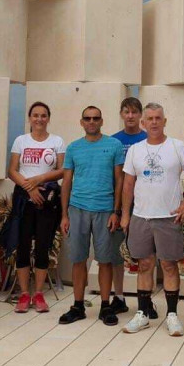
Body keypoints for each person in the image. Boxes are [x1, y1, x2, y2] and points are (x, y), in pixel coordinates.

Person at [120, 103, 184, 337]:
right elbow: (128, 184)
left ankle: (172, 315)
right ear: (143, 123)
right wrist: (125, 214)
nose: (154, 122)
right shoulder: (135, 150)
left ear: (165, 121)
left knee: (169, 265)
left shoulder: (178, 147)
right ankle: (143, 314)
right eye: (150, 119)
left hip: (169, 218)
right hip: (141, 217)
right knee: (144, 265)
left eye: (158, 118)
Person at [59, 106, 126, 326]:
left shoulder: (114, 145)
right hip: (77, 209)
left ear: (102, 121)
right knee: (78, 259)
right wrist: (64, 215)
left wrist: (116, 212)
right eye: (87, 118)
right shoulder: (73, 148)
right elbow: (66, 182)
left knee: (105, 260)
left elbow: (119, 181)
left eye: (96, 118)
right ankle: (78, 305)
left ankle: (106, 306)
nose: (91, 122)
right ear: (81, 122)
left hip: (105, 209)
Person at [8, 101, 65, 314]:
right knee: (22, 246)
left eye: (43, 115)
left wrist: (40, 179)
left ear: (48, 118)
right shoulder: (20, 141)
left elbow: (61, 170)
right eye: (35, 115)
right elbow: (12, 170)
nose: (39, 119)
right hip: (24, 198)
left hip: (48, 199)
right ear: (30, 118)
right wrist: (29, 188)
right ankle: (24, 294)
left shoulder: (57, 141)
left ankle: (39, 293)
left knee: (43, 245)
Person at [108, 96, 147, 318]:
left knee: (145, 255)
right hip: (118, 206)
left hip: (144, 204)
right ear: (122, 114)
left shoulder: (147, 138)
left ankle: (145, 299)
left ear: (140, 115)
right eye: (126, 112)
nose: (131, 116)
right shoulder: (114, 141)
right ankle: (119, 297)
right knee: (116, 253)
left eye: (134, 112)